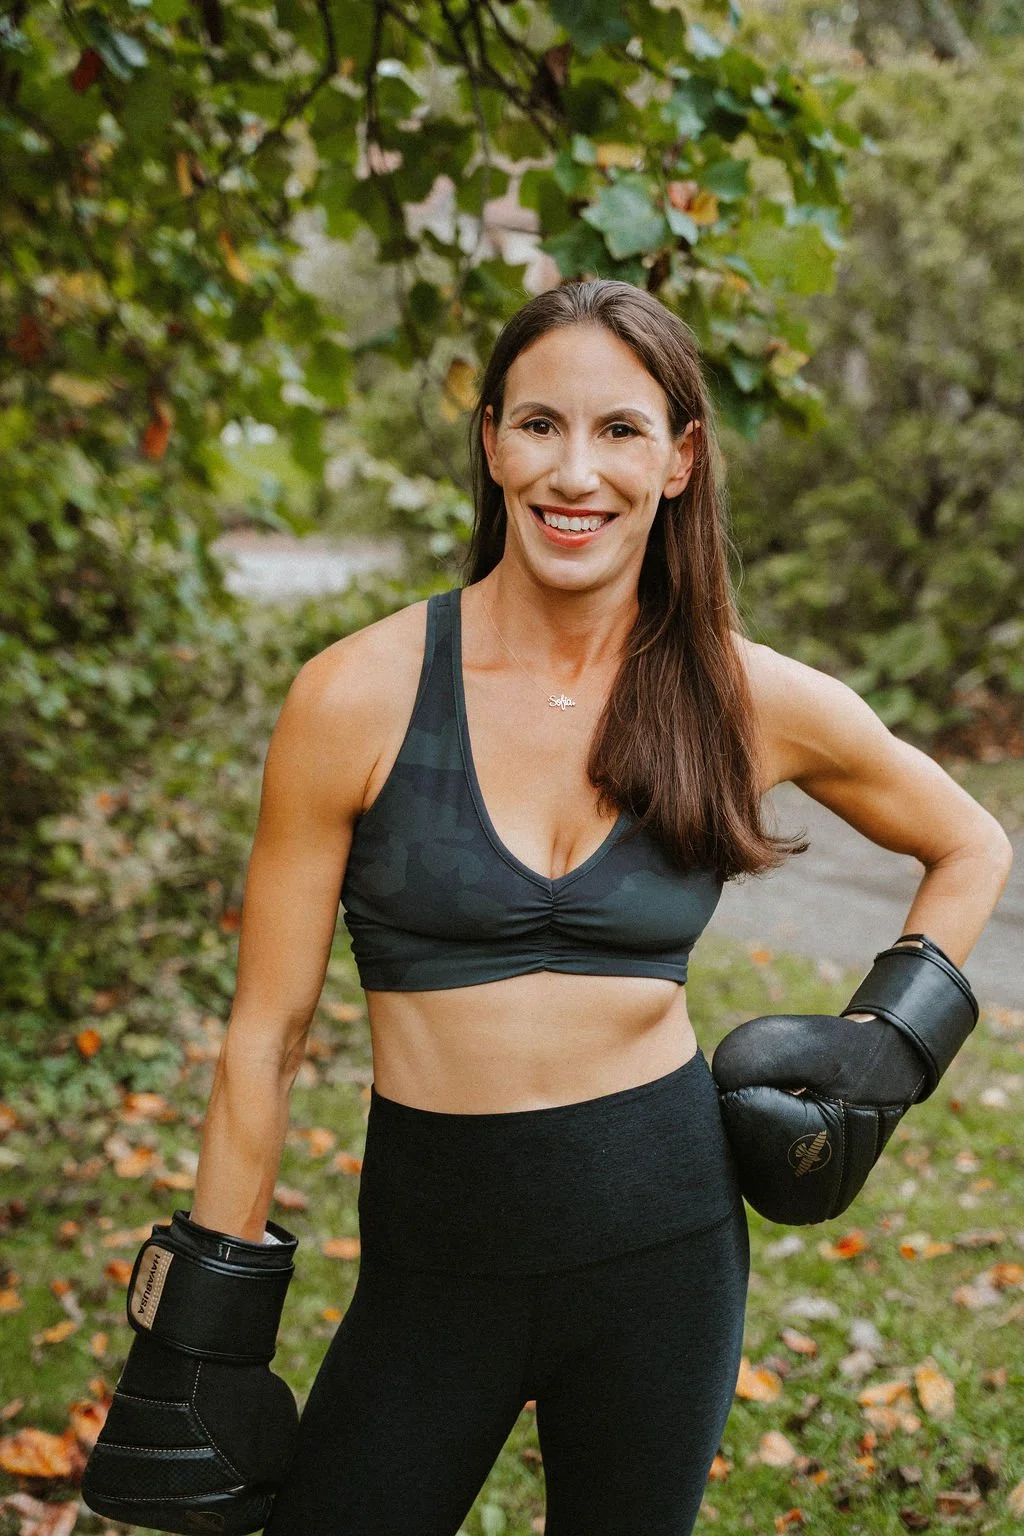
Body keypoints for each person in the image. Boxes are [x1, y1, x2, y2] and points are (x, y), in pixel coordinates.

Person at [87, 278, 1014, 1536]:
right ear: (490, 442)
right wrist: (200, 1330)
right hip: (432, 1263)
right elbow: (269, 1033)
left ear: (680, 458)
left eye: (621, 430)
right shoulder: (353, 697)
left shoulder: (744, 695)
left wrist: (886, 1049)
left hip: (666, 1248)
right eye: (539, 425)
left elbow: (968, 841)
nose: (575, 472)